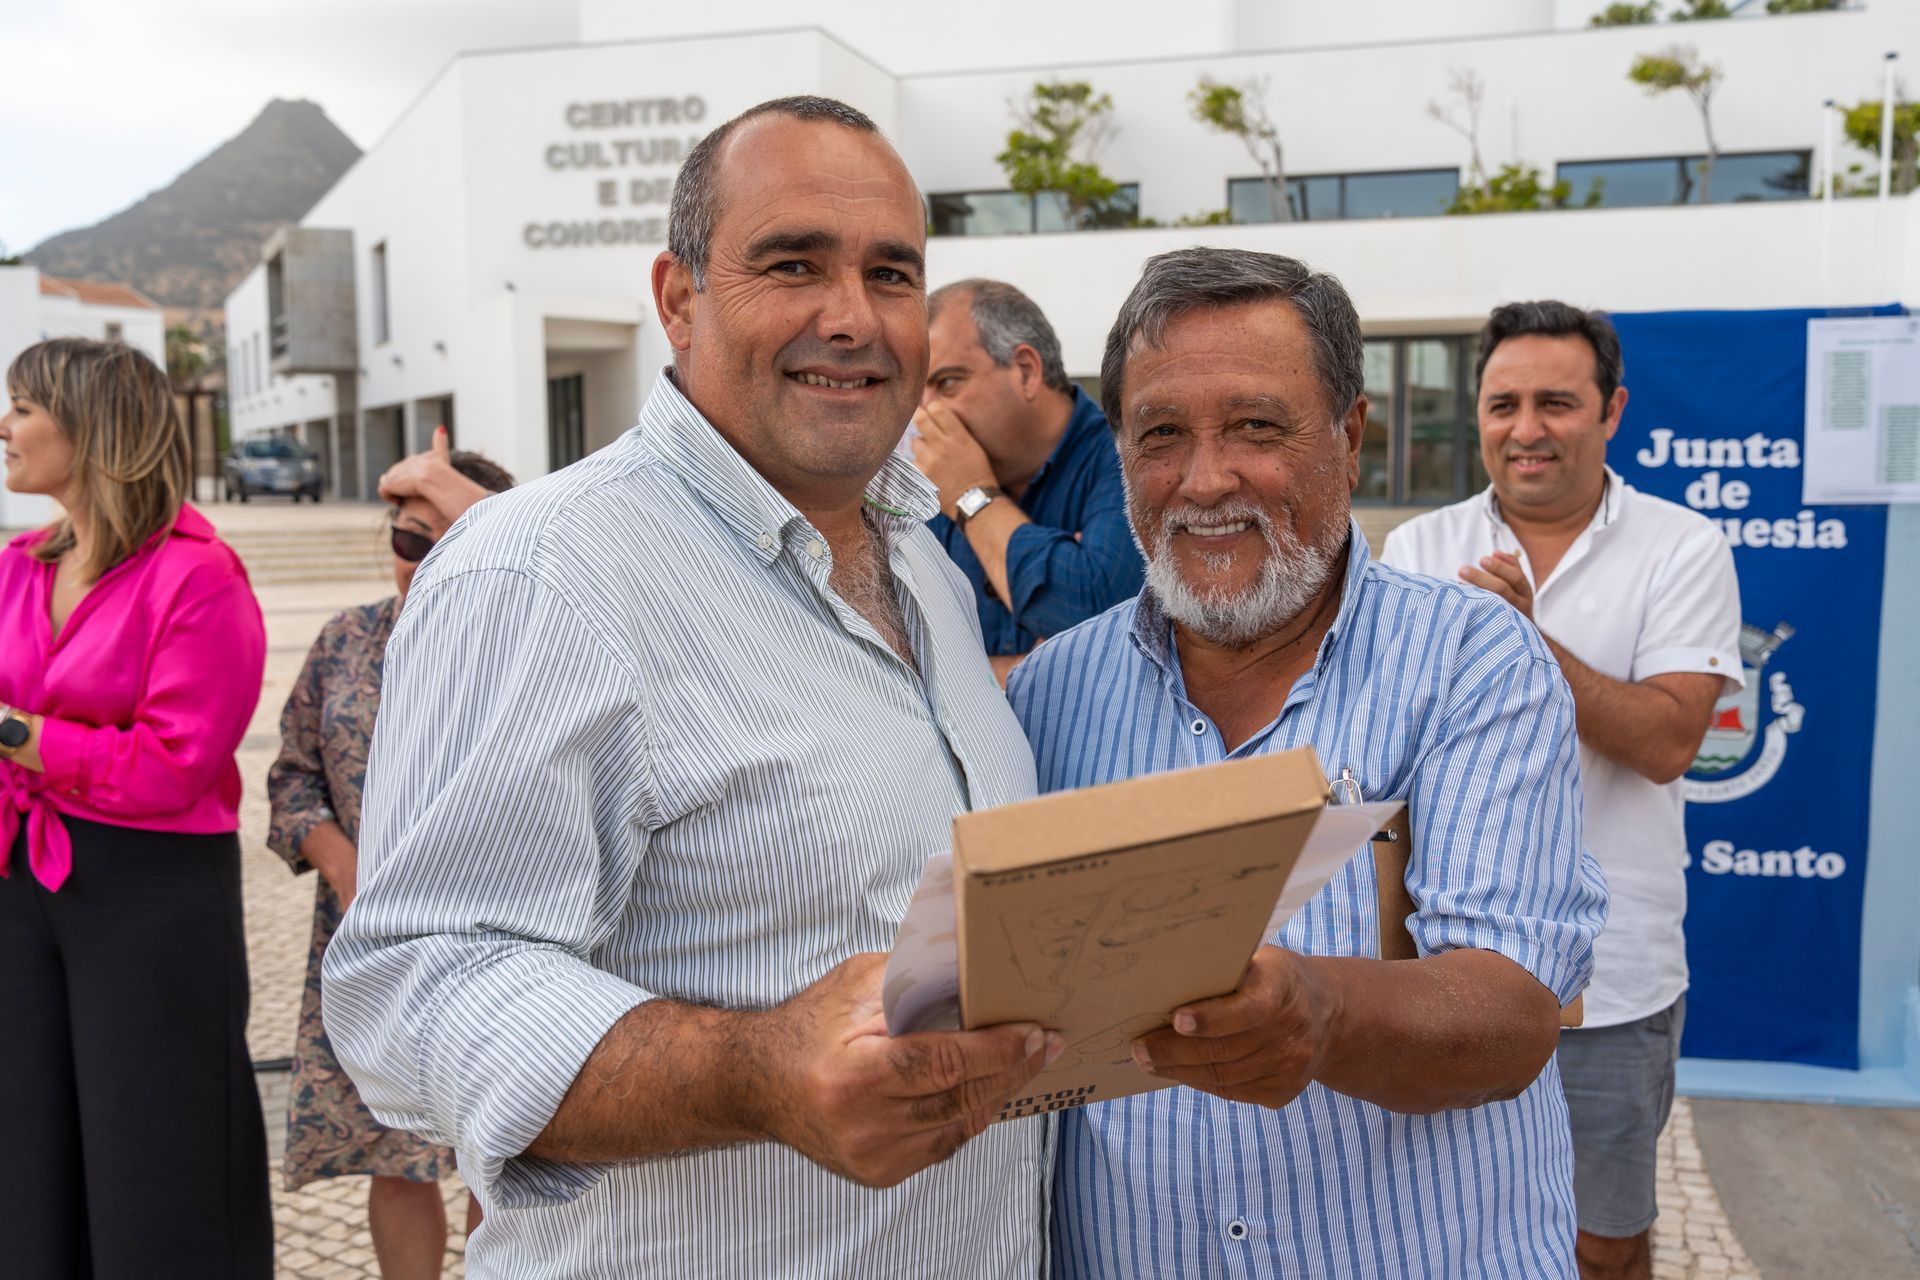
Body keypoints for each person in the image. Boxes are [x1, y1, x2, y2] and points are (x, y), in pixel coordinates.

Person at [321, 96, 1061, 1276]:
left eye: (889, 273)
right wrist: (754, 1072)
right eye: (793, 263)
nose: (852, 317)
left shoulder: (926, 560)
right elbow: (419, 986)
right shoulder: (540, 573)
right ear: (678, 297)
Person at [1006, 248, 1609, 1278]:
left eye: (1256, 426)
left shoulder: (1471, 660)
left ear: (1351, 436)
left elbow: (1513, 1015)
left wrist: (1319, 1013)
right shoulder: (1049, 693)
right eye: (1162, 435)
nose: (1205, 481)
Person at [1380, 300, 1740, 1280]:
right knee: (1442, 1231)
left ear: (1612, 410)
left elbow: (1668, 741)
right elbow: (1384, 748)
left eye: (1557, 402)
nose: (1526, 429)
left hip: (1614, 973)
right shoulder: (1416, 549)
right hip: (1444, 965)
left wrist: (1522, 643)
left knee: (1603, 1242)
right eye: (1504, 404)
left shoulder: (1682, 546)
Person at [0, 337, 270, 1278]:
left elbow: (173, 764)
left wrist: (20, 735)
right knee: (27, 1136)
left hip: (151, 888)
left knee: (158, 1145)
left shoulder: (199, 574)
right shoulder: (20, 564)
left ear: (92, 427)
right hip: (20, 876)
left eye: (23, 407)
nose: (5, 426)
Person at [268, 427, 512, 1279]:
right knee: (394, 1155)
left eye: (442, 538)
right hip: (364, 942)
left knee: (501, 1152)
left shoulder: (521, 647)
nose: (419, 560)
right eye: (406, 539)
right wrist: (345, 866)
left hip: (494, 943)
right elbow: (292, 779)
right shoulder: (346, 639)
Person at [912, 279, 1143, 683]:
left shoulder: (1128, 460)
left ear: (1025, 371)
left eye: (948, 383)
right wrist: (1020, 673)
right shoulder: (920, 483)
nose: (925, 415)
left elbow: (1103, 626)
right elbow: (890, 666)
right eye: (918, 394)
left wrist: (970, 496)